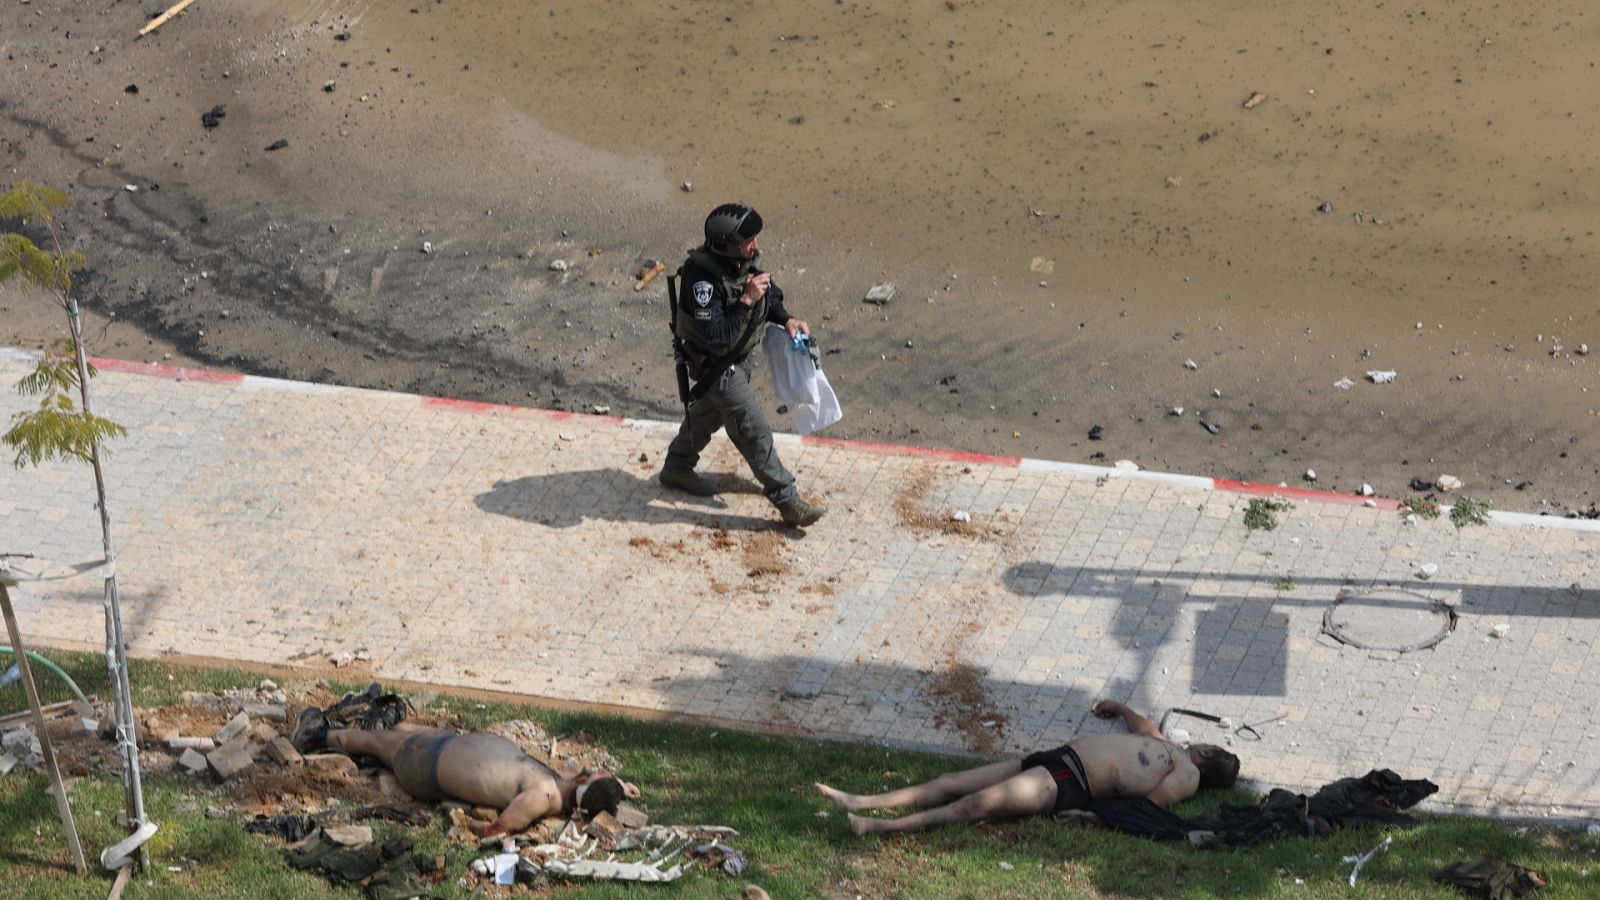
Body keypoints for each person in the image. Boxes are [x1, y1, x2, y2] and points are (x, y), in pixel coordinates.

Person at [814, 699, 1240, 835]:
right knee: (952, 781)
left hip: (1069, 782)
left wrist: (1093, 817)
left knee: (973, 805)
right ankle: (861, 799)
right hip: (1057, 758)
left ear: (1207, 755)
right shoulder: (1169, 747)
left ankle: (878, 827)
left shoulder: (1189, 774)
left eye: (1207, 746)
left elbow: (1150, 808)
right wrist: (1119, 707)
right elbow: (1143, 725)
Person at [658, 202, 825, 527]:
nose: (755, 245)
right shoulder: (701, 282)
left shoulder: (742, 261)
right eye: (748, 240)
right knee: (753, 431)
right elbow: (717, 337)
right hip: (718, 369)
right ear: (726, 245)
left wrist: (786, 319)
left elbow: (770, 294)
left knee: (707, 416)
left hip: (739, 360)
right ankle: (788, 500)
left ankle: (676, 468)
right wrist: (746, 300)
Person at [290, 709, 639, 838]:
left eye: (591, 773)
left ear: (581, 781)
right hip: (444, 747)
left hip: (426, 767)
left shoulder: (544, 796)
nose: (589, 770)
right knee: (403, 730)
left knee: (376, 742)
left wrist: (478, 825)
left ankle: (319, 735)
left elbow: (503, 825)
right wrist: (618, 788)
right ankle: (384, 730)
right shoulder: (558, 784)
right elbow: (591, 789)